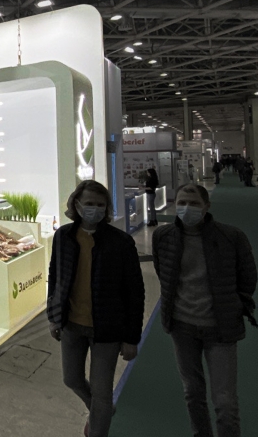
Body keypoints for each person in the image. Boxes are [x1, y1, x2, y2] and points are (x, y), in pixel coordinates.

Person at [152, 184, 256, 437]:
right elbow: (163, 272)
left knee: (225, 401)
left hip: (220, 328)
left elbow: (248, 277)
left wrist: (234, 305)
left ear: (206, 206)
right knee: (192, 392)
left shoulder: (231, 237)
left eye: (194, 203)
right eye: (182, 203)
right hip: (182, 326)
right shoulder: (163, 236)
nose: (187, 208)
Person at [47, 180, 145, 437]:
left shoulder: (120, 242)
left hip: (107, 329)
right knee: (71, 379)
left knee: (102, 392)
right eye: (89, 203)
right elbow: (55, 277)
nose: (95, 209)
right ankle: (101, 411)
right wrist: (53, 316)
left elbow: (134, 292)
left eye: (100, 204)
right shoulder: (63, 236)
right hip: (71, 325)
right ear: (76, 205)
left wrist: (131, 337)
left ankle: (98, 426)